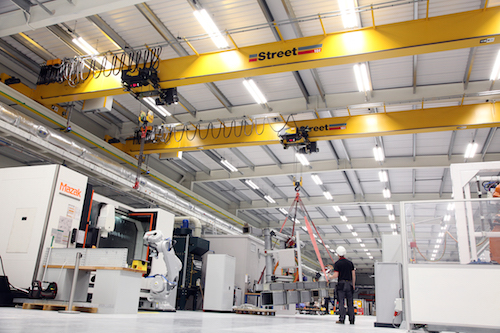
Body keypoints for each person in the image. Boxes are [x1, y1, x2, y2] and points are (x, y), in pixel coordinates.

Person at [331, 246, 356, 324]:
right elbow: (353, 275)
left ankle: (342, 319)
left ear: (338, 254)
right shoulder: (350, 263)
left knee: (341, 302)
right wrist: (353, 285)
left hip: (341, 284)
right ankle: (352, 320)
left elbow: (336, 275)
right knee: (350, 303)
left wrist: (329, 277)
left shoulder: (337, 263)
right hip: (349, 284)